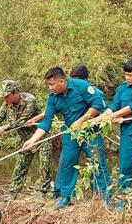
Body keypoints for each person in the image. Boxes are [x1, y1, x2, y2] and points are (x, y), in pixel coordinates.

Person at [22, 67, 111, 210]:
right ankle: (65, 197)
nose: (50, 88)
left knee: (98, 164)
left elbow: (99, 104)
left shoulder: (81, 86)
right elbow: (46, 122)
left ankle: (106, 197)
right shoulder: (53, 98)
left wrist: (82, 120)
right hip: (71, 134)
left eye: (52, 85)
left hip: (91, 132)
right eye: (48, 85)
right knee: (67, 165)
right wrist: (32, 140)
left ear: (62, 81)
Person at [93, 58, 132, 209]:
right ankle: (122, 202)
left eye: (130, 75)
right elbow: (114, 105)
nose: (127, 78)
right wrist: (99, 118)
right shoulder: (123, 87)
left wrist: (111, 116)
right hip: (127, 135)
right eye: (125, 75)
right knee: (125, 169)